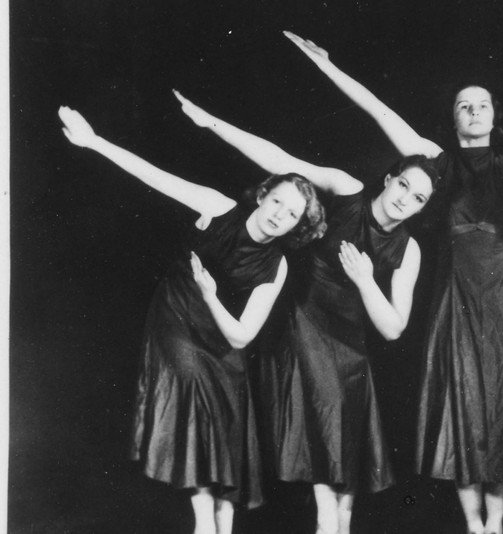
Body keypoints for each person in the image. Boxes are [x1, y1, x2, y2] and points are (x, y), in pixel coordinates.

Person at [283, 9, 503, 533]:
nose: (473, 111)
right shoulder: (434, 163)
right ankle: (475, 527)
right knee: (461, 411)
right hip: (453, 303)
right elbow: (378, 111)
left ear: (494, 116)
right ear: (453, 120)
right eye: (463, 106)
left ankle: (497, 525)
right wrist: (326, 65)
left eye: (482, 104)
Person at [174, 92, 438, 534]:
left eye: (419, 199)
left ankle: (338, 523)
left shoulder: (408, 249)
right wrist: (211, 123)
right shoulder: (347, 190)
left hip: (350, 344)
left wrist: (366, 281)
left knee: (347, 432)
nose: (405, 199)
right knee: (324, 413)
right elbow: (281, 161)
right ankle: (326, 520)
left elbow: (393, 328)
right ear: (390, 179)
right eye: (404, 186)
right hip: (300, 322)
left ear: (423, 208)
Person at [58, 105, 326, 534]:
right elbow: (153, 176)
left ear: (296, 225)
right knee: (193, 383)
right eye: (277, 201)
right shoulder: (217, 207)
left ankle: (222, 522)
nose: (279, 214)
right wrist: (93, 142)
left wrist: (212, 295)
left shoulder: (277, 266)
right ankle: (204, 522)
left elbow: (242, 336)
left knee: (230, 409)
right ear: (262, 195)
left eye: (292, 214)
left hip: (219, 330)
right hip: (177, 313)